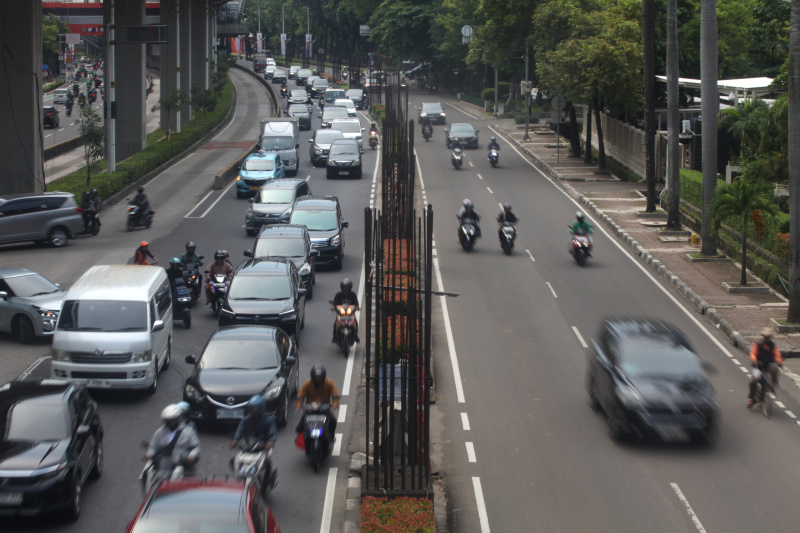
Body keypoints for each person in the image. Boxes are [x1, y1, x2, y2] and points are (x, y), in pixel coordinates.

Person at [230, 396, 278, 494]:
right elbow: (239, 432)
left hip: (263, 447)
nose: (254, 411)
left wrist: (271, 442)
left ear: (261, 408)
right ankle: (238, 478)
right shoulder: (246, 420)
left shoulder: (268, 420)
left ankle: (266, 485)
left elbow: (273, 432)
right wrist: (235, 440)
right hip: (248, 447)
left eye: (256, 408)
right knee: (233, 459)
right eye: (252, 408)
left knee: (267, 462)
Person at [144, 404, 200, 475]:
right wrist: (149, 454)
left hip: (183, 462)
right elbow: (153, 446)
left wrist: (191, 456)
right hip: (165, 462)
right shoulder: (160, 432)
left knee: (192, 479)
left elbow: (196, 447)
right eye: (167, 421)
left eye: (172, 421)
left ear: (178, 419)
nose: (169, 423)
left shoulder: (188, 432)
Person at [296, 365, 340, 435]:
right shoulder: (307, 384)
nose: (318, 379)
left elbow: (335, 394)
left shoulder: (329, 383)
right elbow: (300, 395)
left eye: (320, 378)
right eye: (316, 378)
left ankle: (331, 437)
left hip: (324, 408)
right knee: (300, 426)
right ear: (313, 377)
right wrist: (299, 405)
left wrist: (335, 403)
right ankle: (303, 438)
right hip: (310, 409)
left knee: (333, 421)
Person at [748, 327, 783, 407]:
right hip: (758, 365)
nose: (767, 338)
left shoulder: (773, 346)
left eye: (769, 337)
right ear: (763, 336)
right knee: (753, 382)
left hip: (768, 364)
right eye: (766, 337)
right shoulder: (757, 344)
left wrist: (779, 362)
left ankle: (773, 383)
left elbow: (777, 354)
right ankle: (752, 398)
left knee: (774, 368)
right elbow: (753, 353)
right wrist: (755, 361)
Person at [331, 278, 360, 343]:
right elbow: (335, 302)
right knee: (335, 324)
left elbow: (356, 302)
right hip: (341, 313)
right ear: (342, 287)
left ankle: (355, 335)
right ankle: (334, 337)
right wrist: (333, 307)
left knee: (355, 323)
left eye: (347, 287)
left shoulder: (353, 294)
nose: (346, 288)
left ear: (350, 287)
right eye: (344, 287)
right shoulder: (338, 294)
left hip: (350, 313)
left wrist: (357, 307)